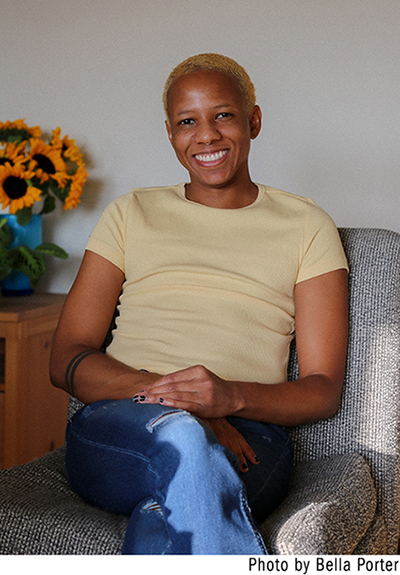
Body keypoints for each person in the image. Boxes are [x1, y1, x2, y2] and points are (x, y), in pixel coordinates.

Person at [50, 53, 349, 555]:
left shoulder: (306, 226)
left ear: (254, 121)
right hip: (123, 422)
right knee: (184, 439)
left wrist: (228, 398)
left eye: (223, 115)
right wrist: (183, 404)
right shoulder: (130, 213)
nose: (206, 135)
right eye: (187, 122)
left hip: (249, 436)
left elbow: (322, 390)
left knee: (161, 520)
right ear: (170, 134)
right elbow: (66, 357)